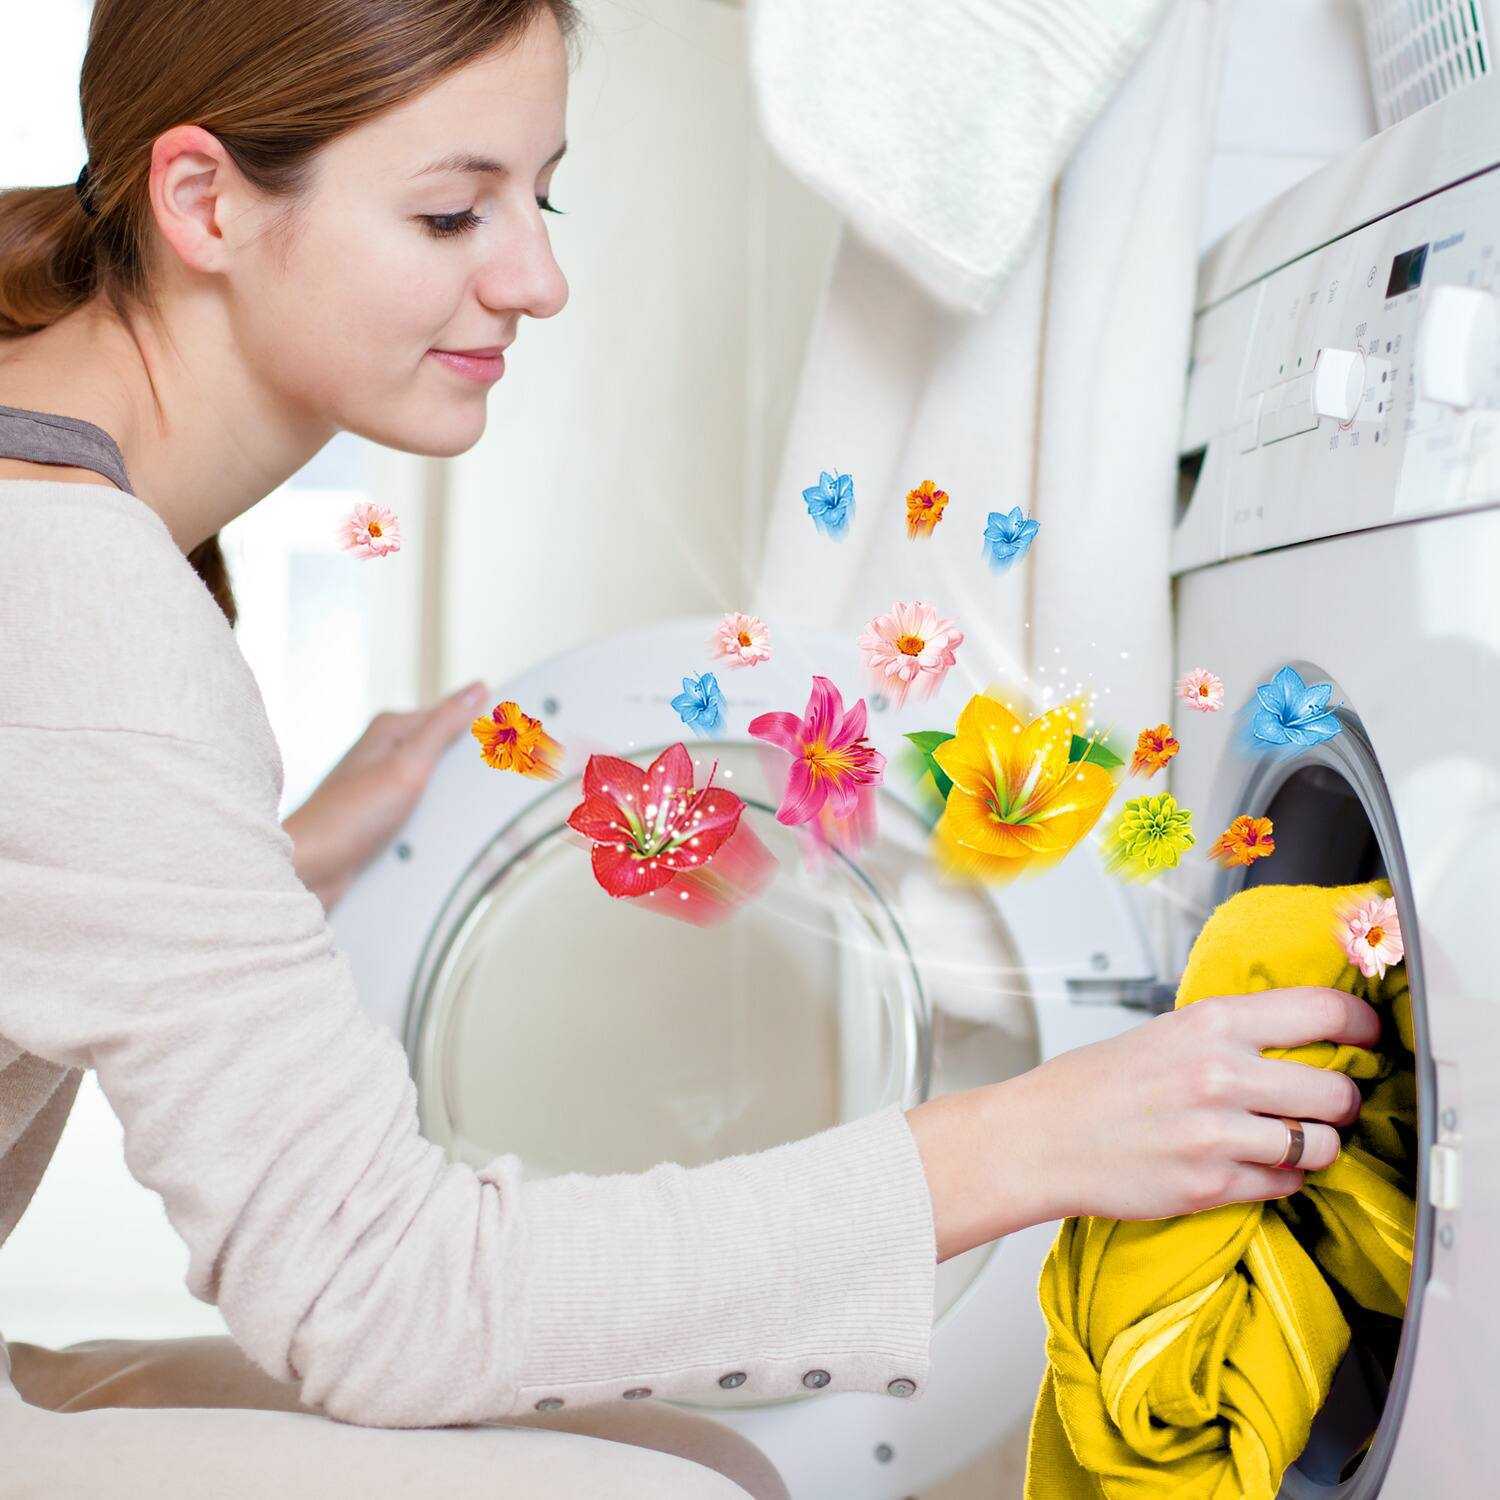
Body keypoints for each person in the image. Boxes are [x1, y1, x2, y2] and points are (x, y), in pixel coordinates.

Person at [0, 1, 1379, 1495]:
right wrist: (1025, 1144)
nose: (536, 281)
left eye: (541, 199)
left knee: (681, 1455)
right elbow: (388, 1300)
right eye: (451, 212)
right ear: (203, 201)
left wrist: (257, 861)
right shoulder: (80, 600)